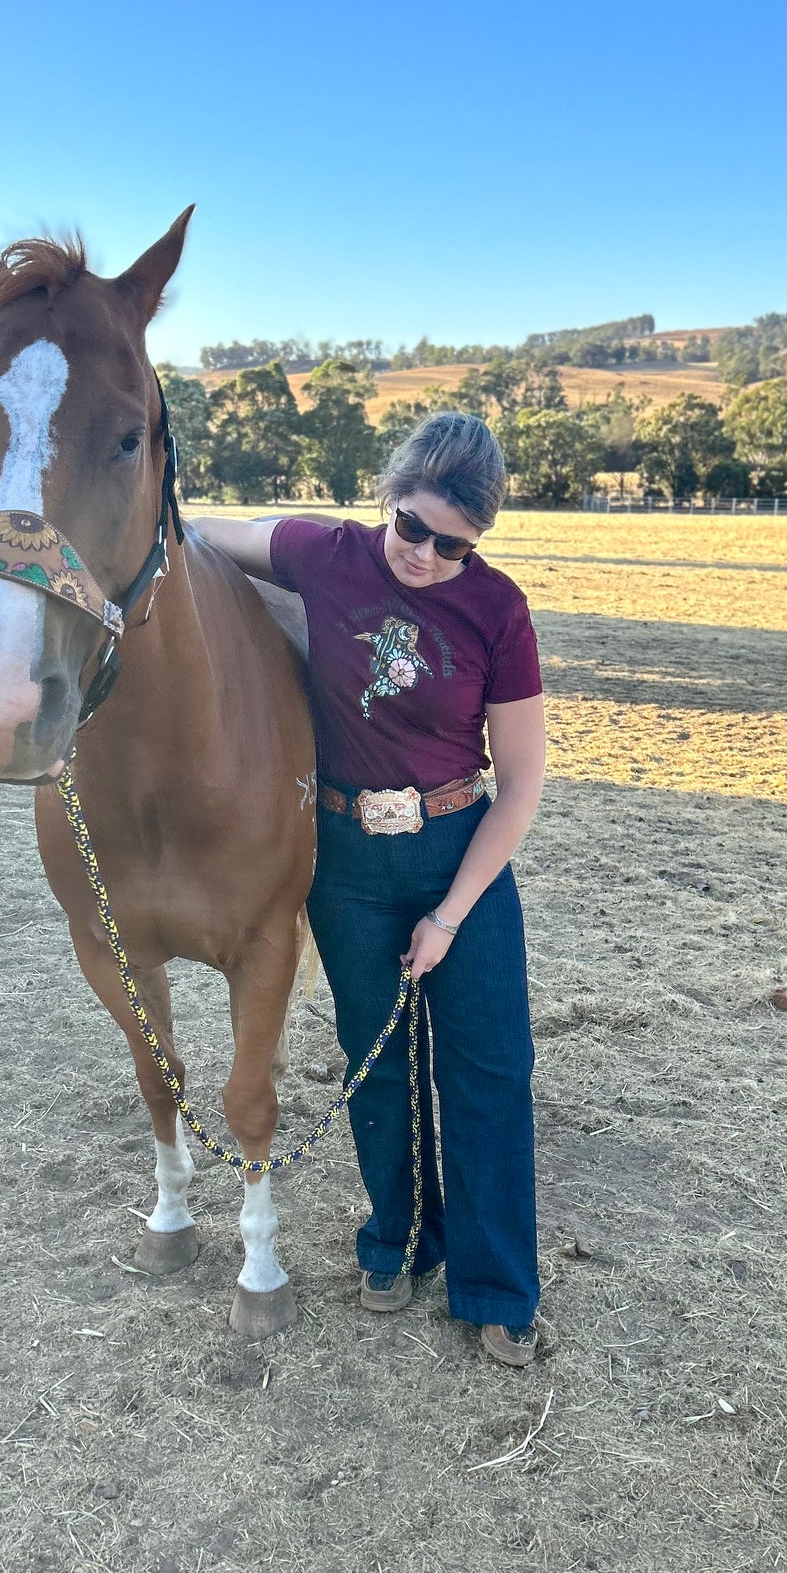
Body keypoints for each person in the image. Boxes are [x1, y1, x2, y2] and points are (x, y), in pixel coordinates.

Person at [191, 413, 546, 1368]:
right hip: (344, 860)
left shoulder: (498, 611)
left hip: (457, 851)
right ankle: (393, 1241)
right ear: (385, 500)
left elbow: (519, 787)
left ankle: (496, 1284)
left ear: (480, 539)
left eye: (453, 542)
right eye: (411, 527)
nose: (426, 554)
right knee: (372, 1062)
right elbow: (199, 530)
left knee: (486, 1069)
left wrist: (448, 914)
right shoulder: (327, 555)